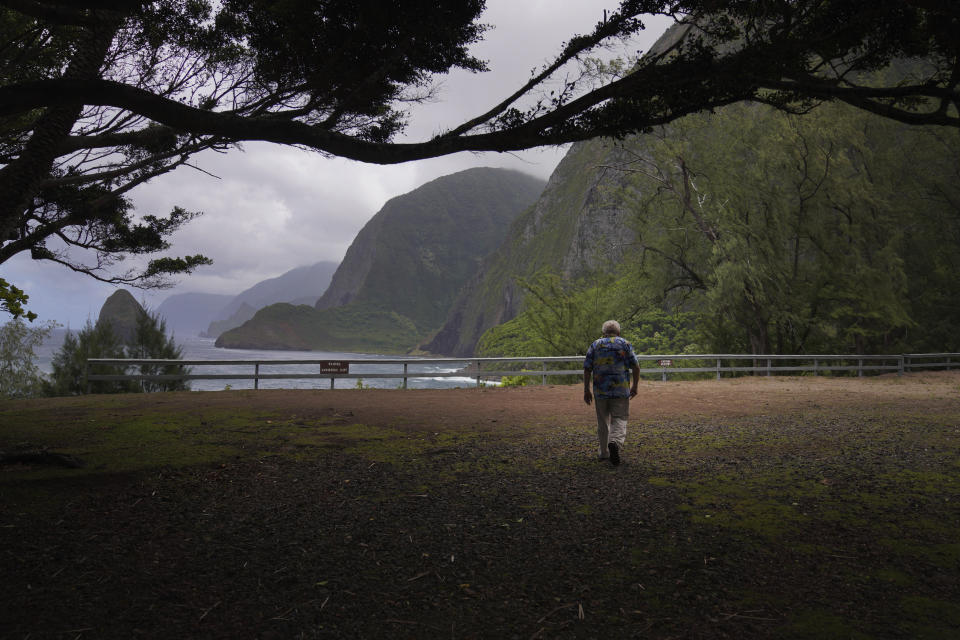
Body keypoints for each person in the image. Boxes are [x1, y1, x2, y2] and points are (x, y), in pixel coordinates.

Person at [583, 320, 640, 465]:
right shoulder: (625, 344)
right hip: (620, 390)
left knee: (602, 421)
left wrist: (586, 390)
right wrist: (635, 387)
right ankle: (615, 442)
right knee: (620, 418)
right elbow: (636, 366)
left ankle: (603, 453)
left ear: (604, 333)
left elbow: (587, 368)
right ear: (618, 332)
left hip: (600, 391)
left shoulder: (595, 345)